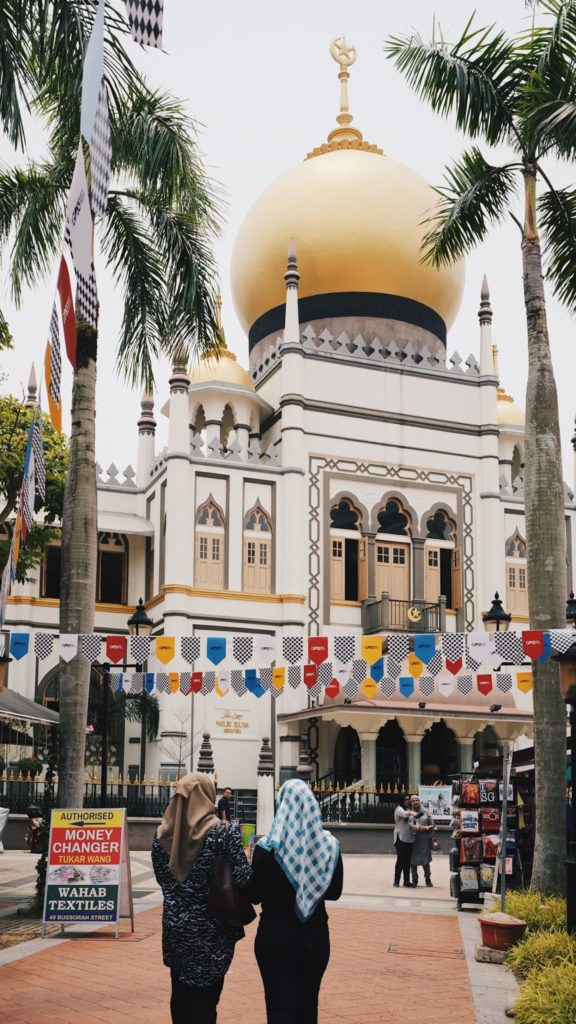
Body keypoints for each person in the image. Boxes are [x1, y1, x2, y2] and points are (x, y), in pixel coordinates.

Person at [152, 772, 251, 1024]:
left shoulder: (161, 835)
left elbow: (162, 879)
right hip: (211, 931)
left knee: (180, 994)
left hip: (176, 929)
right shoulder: (223, 833)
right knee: (206, 1001)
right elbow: (244, 879)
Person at [250, 778, 343, 1024]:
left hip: (274, 936)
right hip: (315, 937)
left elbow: (254, 895)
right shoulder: (329, 847)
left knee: (279, 1009)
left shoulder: (267, 848)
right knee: (307, 1007)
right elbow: (334, 892)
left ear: (282, 806)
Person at [409, 794, 435, 887]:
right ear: (411, 803)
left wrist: (427, 828)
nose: (415, 802)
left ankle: (428, 879)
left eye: (417, 800)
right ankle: (414, 879)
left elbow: (432, 825)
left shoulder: (426, 812)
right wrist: (423, 828)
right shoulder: (409, 813)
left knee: (425, 861)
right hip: (413, 840)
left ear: (420, 801)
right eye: (413, 801)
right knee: (412, 861)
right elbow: (410, 827)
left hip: (424, 840)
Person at [393, 793, 415, 887]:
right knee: (401, 860)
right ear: (402, 801)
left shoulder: (409, 810)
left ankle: (406, 881)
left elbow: (412, 822)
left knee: (407, 861)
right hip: (400, 838)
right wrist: (411, 813)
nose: (407, 801)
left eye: (408, 799)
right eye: (405, 800)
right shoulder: (399, 809)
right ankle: (396, 881)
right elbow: (404, 814)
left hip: (409, 839)